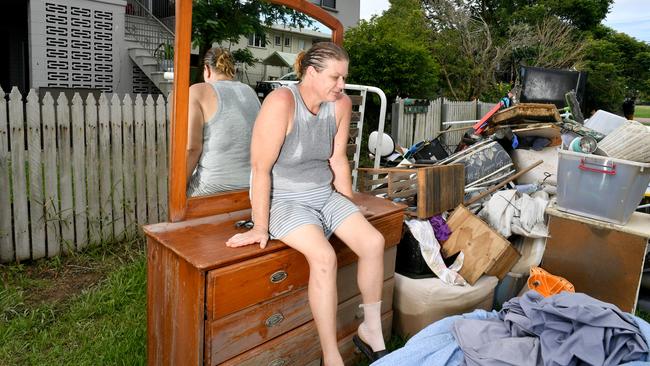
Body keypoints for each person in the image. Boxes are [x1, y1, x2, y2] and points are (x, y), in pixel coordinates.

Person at [226, 42, 388, 365]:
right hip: (285, 202)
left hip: (324, 196)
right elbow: (260, 169)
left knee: (373, 241)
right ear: (311, 73)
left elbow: (338, 160)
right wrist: (260, 226)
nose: (342, 86)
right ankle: (331, 357)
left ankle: (372, 329)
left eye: (344, 78)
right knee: (325, 258)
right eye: (335, 78)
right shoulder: (281, 103)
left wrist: (350, 203)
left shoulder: (339, 105)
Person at [186, 47, 260, 196]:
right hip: (252, 186)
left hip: (212, 188)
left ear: (207, 69)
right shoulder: (250, 92)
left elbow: (192, 149)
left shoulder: (197, 91)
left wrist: (177, 187)